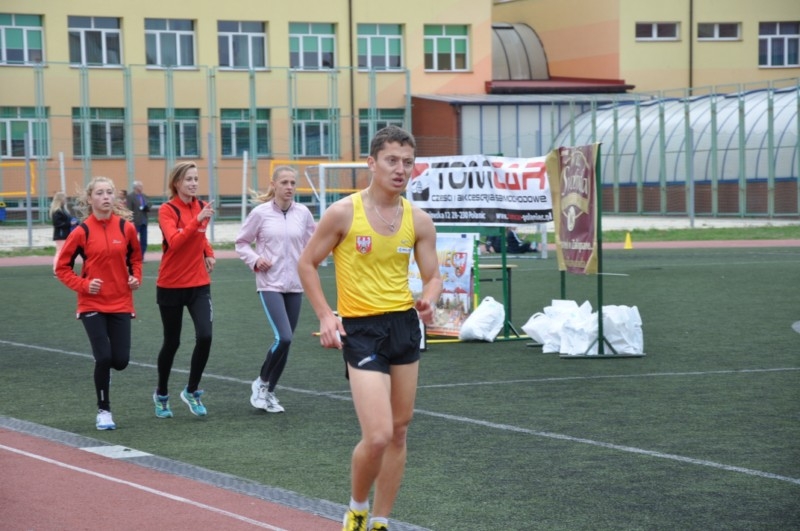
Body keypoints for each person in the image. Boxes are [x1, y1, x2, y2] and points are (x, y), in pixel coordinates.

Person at [298, 125, 442, 531]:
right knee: (377, 434)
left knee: (399, 430)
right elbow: (307, 264)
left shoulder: (419, 220)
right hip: (361, 330)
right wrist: (326, 315)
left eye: (407, 162)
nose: (400, 169)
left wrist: (429, 298)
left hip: (404, 326)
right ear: (371, 163)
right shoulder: (343, 213)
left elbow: (433, 276)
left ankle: (380, 520)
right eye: (392, 160)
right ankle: (357, 509)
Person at [55, 177, 142, 430]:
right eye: (100, 193)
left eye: (109, 192)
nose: (106, 197)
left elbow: (136, 259)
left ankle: (105, 373)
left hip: (121, 302)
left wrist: (135, 277)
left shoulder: (126, 228)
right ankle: (104, 411)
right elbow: (62, 268)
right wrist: (83, 285)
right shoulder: (81, 232)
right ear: (90, 198)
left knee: (120, 361)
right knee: (103, 357)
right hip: (91, 304)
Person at [235, 166, 316, 413]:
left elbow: (313, 244)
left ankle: (269, 393)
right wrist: (255, 259)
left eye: (293, 182)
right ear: (274, 185)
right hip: (270, 283)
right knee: (284, 337)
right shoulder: (260, 213)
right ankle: (261, 383)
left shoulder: (303, 213)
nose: (289, 187)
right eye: (284, 182)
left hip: (296, 285)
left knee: (286, 343)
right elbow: (241, 243)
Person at [152, 161, 216, 419]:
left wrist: (208, 252)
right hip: (170, 284)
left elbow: (201, 236)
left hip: (199, 283)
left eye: (196, 179)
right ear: (176, 183)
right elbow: (176, 242)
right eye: (188, 179)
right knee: (172, 342)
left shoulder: (202, 207)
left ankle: (191, 390)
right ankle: (161, 394)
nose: (193, 183)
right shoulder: (167, 210)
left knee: (206, 335)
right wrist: (196, 221)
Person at [50, 191, 77, 274]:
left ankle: (63, 269)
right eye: (64, 198)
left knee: (64, 252)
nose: (66, 200)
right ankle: (56, 269)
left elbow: (67, 220)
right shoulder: (57, 211)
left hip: (65, 234)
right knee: (60, 252)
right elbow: (57, 223)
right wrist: (70, 223)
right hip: (60, 235)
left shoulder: (63, 210)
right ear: (60, 199)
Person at [126, 180, 151, 259]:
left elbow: (149, 204)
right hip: (135, 222)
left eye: (141, 186)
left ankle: (141, 257)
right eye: (140, 186)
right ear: (135, 187)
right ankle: (130, 256)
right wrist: (130, 221)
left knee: (144, 241)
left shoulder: (144, 196)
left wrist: (147, 207)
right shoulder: (130, 197)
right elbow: (128, 209)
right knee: (132, 240)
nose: (142, 188)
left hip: (144, 221)